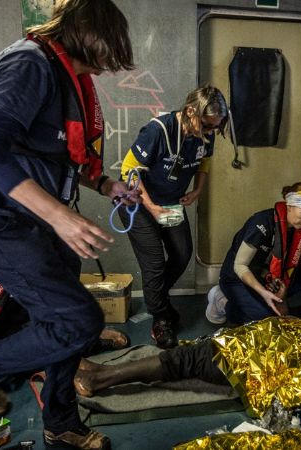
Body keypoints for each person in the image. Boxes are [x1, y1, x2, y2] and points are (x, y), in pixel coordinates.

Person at [0, 1, 139, 449]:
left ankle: (61, 423)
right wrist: (60, 216)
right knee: (78, 319)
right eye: (108, 50)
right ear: (87, 30)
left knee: (65, 320)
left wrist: (108, 184)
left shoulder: (72, 80)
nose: (108, 66)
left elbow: (64, 156)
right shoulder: (28, 64)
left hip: (38, 216)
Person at [72, 317, 301, 411]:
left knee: (188, 359)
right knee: (196, 353)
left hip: (264, 366)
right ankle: (100, 373)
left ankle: (100, 379)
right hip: (266, 345)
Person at [119, 85, 229, 348]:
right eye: (206, 125)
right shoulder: (158, 130)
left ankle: (157, 298)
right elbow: (128, 170)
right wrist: (151, 207)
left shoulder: (205, 133)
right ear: (191, 111)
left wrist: (197, 191)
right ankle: (161, 320)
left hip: (170, 203)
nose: (210, 132)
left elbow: (205, 162)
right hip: (137, 202)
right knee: (155, 262)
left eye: (215, 127)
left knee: (182, 253)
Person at [206, 182, 301, 325]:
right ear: (289, 206)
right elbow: (239, 266)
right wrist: (264, 293)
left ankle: (271, 299)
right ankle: (221, 300)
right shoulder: (262, 223)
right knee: (265, 319)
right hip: (236, 277)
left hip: (268, 276)